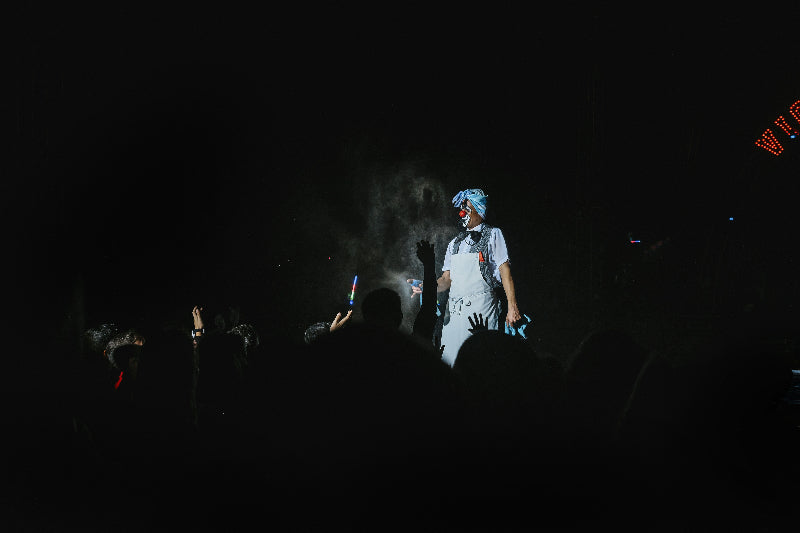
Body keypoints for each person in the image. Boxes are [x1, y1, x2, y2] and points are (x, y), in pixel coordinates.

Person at [409, 188, 521, 367]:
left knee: (479, 360)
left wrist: (512, 306)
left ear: (479, 210)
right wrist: (426, 285)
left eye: (467, 208)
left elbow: (504, 270)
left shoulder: (493, 234)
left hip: (481, 309)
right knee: (450, 361)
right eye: (461, 208)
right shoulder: (455, 243)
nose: (462, 213)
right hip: (453, 315)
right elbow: (446, 280)